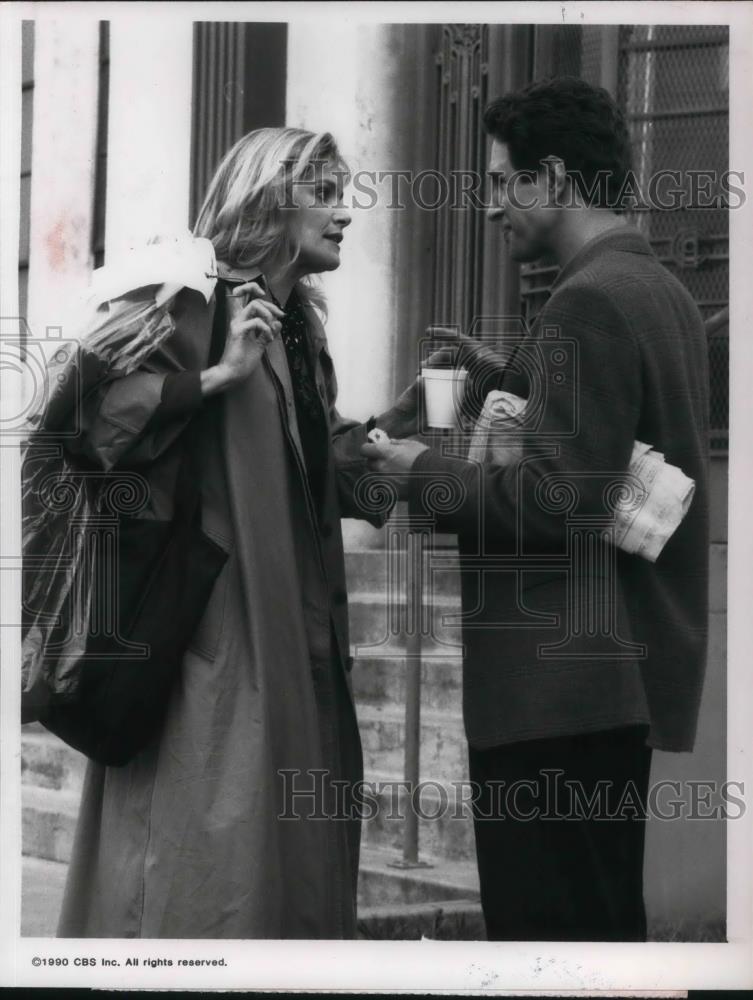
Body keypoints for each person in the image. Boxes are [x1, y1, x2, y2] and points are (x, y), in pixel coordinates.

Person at [363, 77, 710, 941]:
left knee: (553, 945)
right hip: (609, 684)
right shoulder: (655, 287)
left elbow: (557, 503)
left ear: (551, 177)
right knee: (600, 931)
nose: (489, 207)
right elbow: (600, 450)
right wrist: (501, 377)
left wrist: (415, 468)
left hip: (557, 694)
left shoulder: (586, 301)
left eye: (500, 181)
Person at [54, 127, 416, 939]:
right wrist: (216, 376)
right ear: (267, 202)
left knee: (285, 867)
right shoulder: (186, 298)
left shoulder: (298, 327)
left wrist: (407, 429)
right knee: (201, 867)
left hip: (293, 632)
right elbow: (83, 420)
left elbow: (315, 469)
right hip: (207, 636)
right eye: (324, 193)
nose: (344, 213)